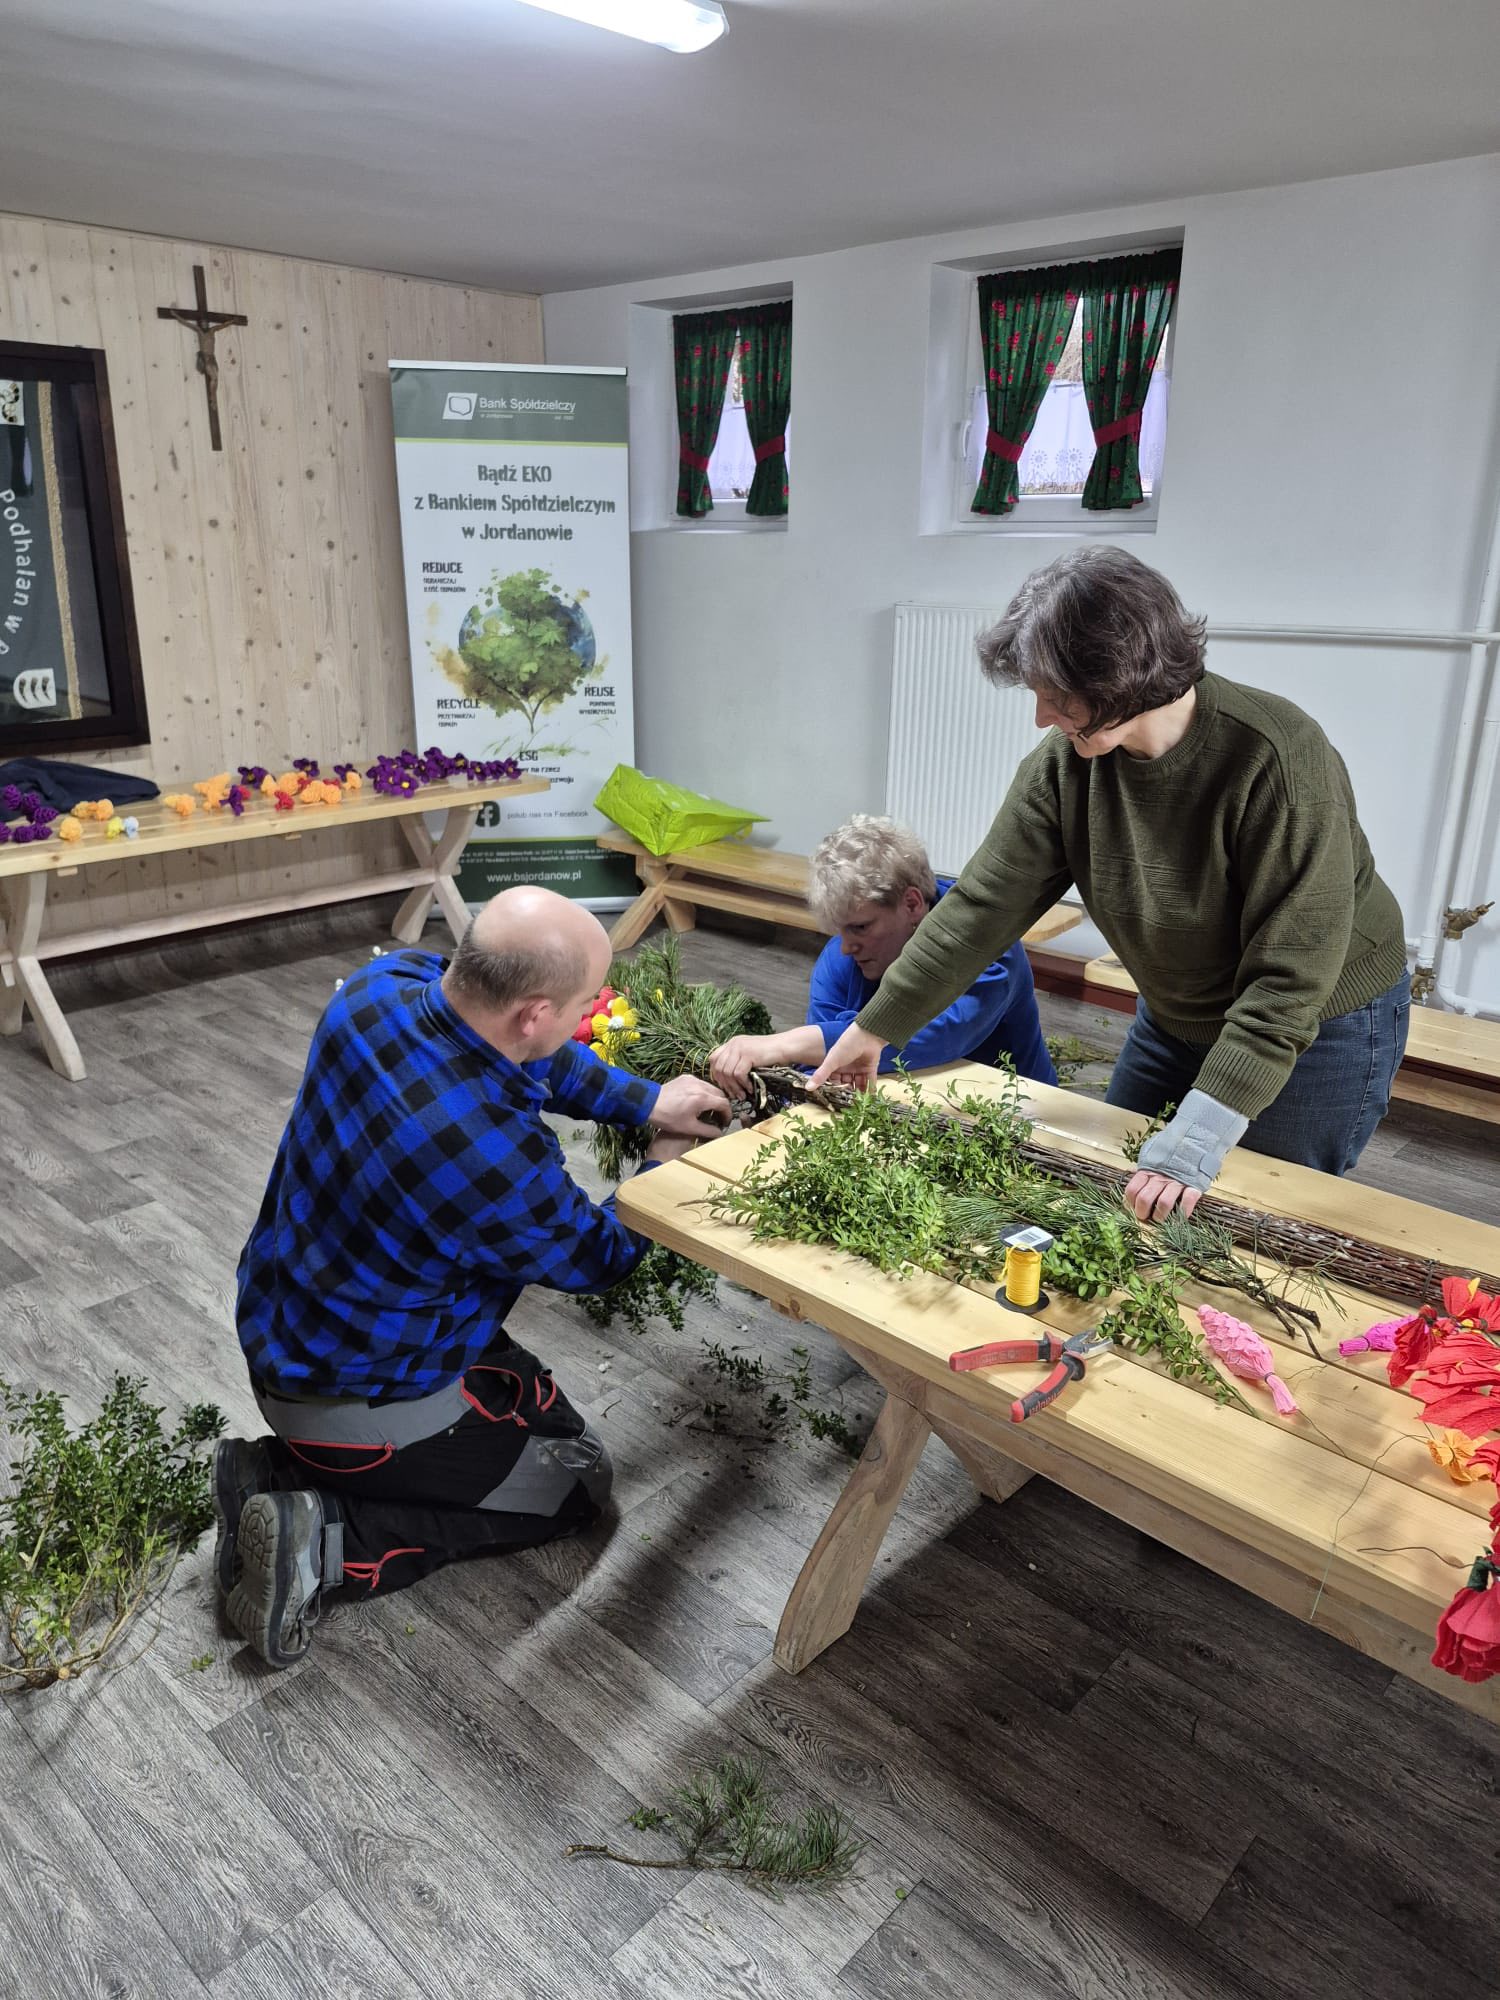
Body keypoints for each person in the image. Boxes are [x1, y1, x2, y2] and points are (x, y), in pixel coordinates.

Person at [812, 547, 1411, 1222]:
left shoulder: (1277, 757)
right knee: (1108, 1197)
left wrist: (1200, 1138)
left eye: (1055, 696)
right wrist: (873, 1029)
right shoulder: (1065, 767)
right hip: (1178, 1010)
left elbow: (1290, 981)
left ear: (1120, 677)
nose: (1041, 716)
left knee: (1247, 1226)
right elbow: (978, 910)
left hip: (1320, 1021)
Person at [214, 886, 728, 1668]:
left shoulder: (379, 990)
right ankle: (326, 1538)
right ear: (534, 1013)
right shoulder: (492, 1156)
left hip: (286, 1325)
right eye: (581, 1005)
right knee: (576, 1485)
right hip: (352, 1394)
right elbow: (599, 1255)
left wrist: (647, 1101)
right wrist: (662, 1167)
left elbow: (531, 1059)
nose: (584, 1015)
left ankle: (272, 1468)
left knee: (533, 1413)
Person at [707, 814, 1056, 1098]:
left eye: (860, 927)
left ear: (912, 904)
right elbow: (822, 1067)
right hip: (900, 1107)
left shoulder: (990, 947)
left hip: (1015, 1113)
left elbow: (934, 1036)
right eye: (840, 930)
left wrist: (780, 1046)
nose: (847, 947)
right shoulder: (841, 957)